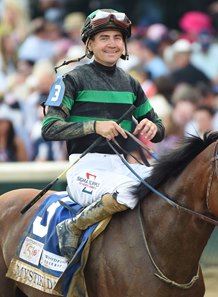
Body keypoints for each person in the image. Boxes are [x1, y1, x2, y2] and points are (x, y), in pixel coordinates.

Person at [41, 8, 165, 261]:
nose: (112, 44)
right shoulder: (71, 80)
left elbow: (158, 126)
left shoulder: (131, 83)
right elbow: (49, 128)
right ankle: (73, 226)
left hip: (124, 167)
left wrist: (154, 128)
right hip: (84, 169)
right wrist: (94, 126)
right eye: (104, 37)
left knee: (170, 186)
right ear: (89, 43)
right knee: (130, 191)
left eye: (117, 38)